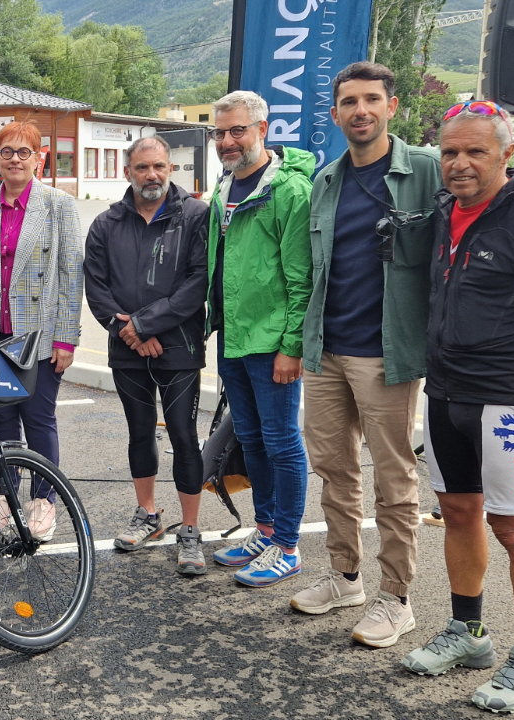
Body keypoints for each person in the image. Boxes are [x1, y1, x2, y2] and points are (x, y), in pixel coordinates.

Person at [291, 62, 514, 647]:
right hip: (327, 351)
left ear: (391, 107)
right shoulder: (326, 181)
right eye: (349, 101)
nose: (360, 110)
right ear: (336, 111)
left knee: (395, 479)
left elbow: (493, 189)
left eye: (372, 99)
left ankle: (397, 598)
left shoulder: (426, 168)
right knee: (334, 470)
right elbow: (316, 272)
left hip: (390, 353)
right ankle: (345, 576)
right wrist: (300, 344)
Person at [400, 100, 514, 714]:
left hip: (507, 404)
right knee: (457, 511)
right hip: (445, 392)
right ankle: (469, 633)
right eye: (450, 151)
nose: (459, 163)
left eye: (475, 151)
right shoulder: (443, 213)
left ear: (506, 154)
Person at [83, 134, 210, 573]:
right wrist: (129, 331)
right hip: (127, 347)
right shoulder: (106, 223)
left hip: (180, 346)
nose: (151, 175)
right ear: (128, 172)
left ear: (170, 168)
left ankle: (190, 531)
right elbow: (96, 287)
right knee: (140, 432)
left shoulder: (195, 215)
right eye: (142, 168)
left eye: (158, 166)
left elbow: (197, 282)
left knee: (183, 435)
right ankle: (148, 516)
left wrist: (146, 323)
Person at [205, 91, 314, 587]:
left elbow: (301, 278)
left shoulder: (289, 191)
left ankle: (288, 546)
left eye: (237, 131)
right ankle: (266, 530)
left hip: (272, 344)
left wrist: (292, 346)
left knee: (282, 442)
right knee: (251, 441)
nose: (228, 141)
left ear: (263, 129)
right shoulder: (222, 187)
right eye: (219, 133)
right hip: (233, 338)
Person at [0, 120, 83, 541]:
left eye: (24, 152)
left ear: (39, 159)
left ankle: (43, 502)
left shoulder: (58, 205)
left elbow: (70, 274)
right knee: (2, 422)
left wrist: (67, 337)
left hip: (40, 337)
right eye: (7, 151)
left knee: (39, 419)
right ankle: (8, 499)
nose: (15, 159)